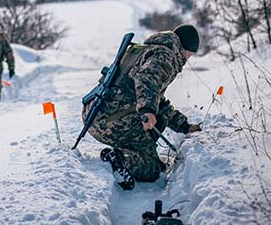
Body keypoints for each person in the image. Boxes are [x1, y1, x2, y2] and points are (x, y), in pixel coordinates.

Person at [82, 24, 202, 190]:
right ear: (185, 49)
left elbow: (158, 101)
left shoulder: (145, 49)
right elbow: (146, 80)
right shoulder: (165, 56)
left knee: (159, 115)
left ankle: (129, 150)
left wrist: (184, 126)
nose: (188, 59)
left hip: (94, 115)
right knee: (154, 167)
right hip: (112, 122)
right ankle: (121, 159)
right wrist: (148, 111)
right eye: (190, 55)